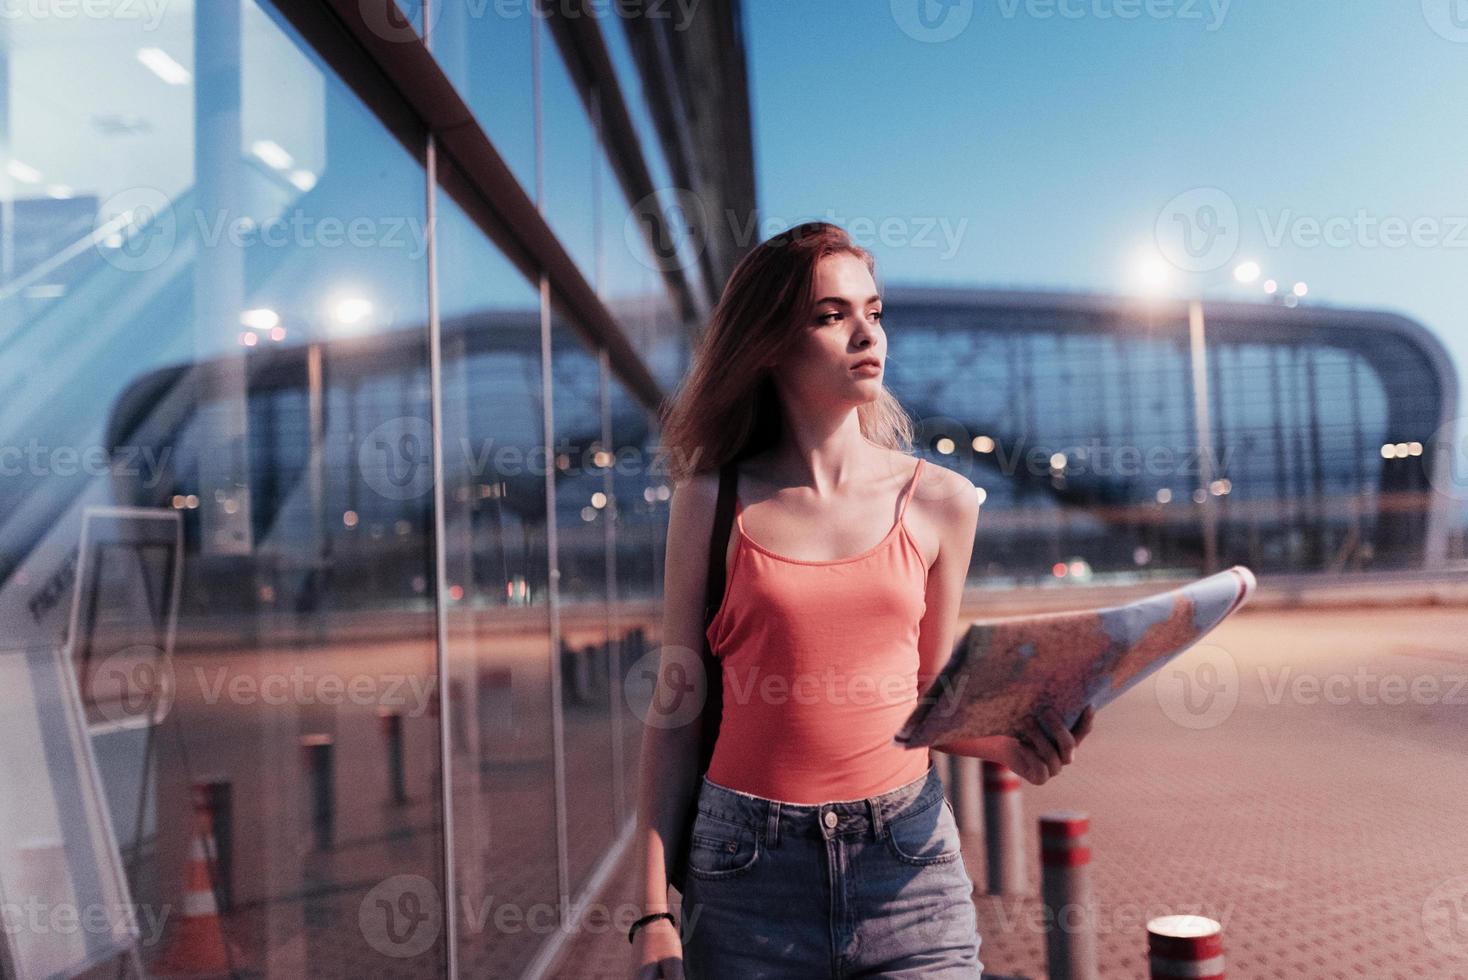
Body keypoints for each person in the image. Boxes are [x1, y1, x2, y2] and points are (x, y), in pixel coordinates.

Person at [631, 221, 1094, 979]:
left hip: (907, 868)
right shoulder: (710, 502)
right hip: (746, 876)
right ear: (769, 344)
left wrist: (1012, 742)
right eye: (830, 314)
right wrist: (653, 914)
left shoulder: (941, 501)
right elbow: (675, 713)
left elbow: (926, 695)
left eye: (872, 312)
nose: (864, 333)